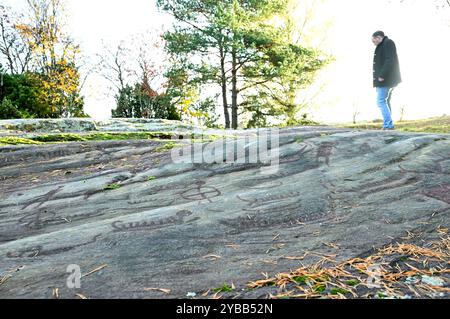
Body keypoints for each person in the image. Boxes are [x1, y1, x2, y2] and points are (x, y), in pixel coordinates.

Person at [372, 31, 402, 130]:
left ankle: (388, 125)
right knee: (383, 101)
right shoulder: (383, 44)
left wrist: (382, 75)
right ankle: (388, 125)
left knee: (380, 101)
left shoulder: (388, 43)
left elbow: (390, 60)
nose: (373, 42)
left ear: (379, 37)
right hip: (383, 79)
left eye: (374, 40)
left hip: (385, 79)